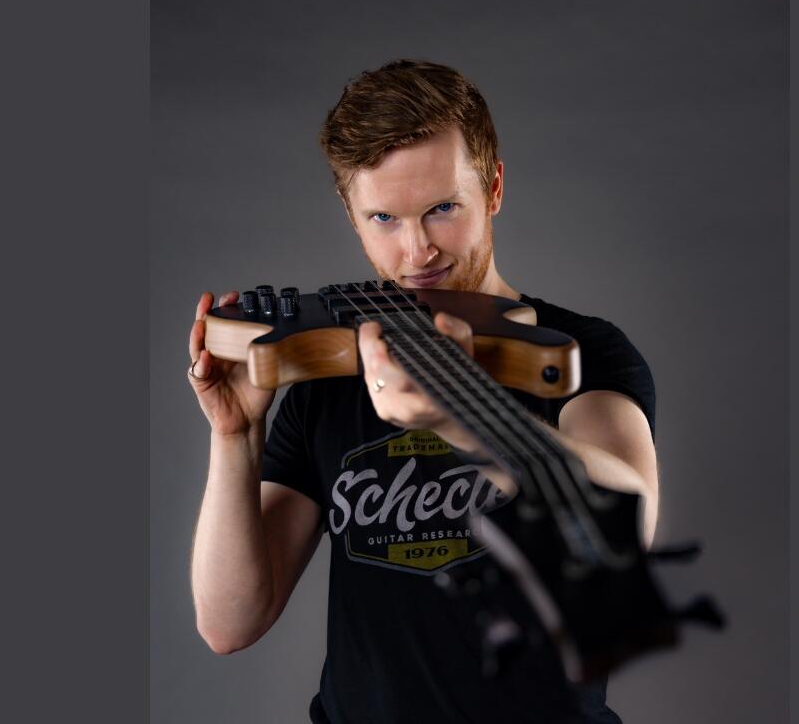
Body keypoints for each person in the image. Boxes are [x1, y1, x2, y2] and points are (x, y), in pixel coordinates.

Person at [185, 60, 657, 723]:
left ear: (493, 188)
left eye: (441, 210)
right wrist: (234, 436)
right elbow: (229, 624)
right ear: (351, 216)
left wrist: (464, 415)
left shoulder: (579, 351)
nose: (417, 253)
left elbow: (624, 535)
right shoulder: (324, 380)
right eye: (383, 218)